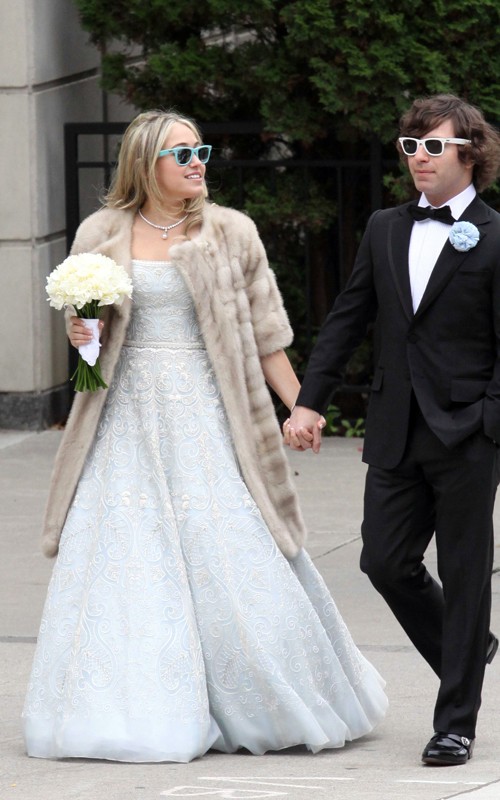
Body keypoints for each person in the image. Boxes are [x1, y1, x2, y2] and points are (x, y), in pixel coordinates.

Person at [22, 109, 387, 763]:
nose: (198, 164)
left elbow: (267, 336)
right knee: (125, 553)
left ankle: (266, 698)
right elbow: (87, 362)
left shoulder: (230, 232)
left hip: (207, 412)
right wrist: (82, 336)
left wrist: (300, 407)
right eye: (183, 154)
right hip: (122, 417)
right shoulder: (101, 233)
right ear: (146, 163)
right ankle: (131, 707)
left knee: (233, 542)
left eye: (202, 152)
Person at [285, 94, 500, 766]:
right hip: (395, 426)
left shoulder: (495, 235)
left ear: (471, 152)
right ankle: (469, 647)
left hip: (468, 432)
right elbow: (348, 317)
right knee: (383, 559)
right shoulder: (384, 227)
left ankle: (455, 723)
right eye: (410, 146)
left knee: (465, 576)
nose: (418, 159)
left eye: (433, 146)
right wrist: (308, 402)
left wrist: (489, 420)